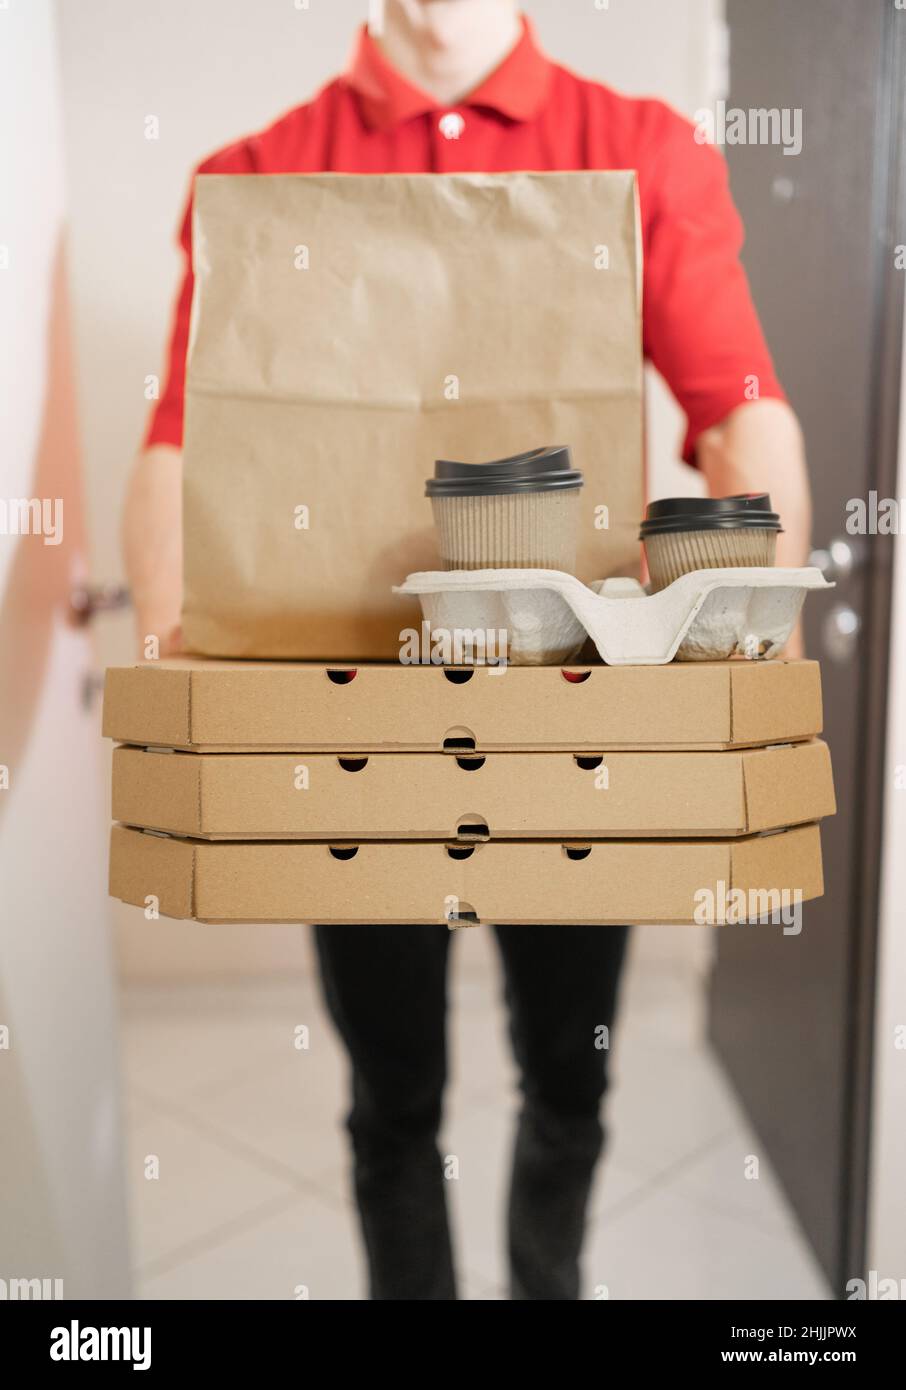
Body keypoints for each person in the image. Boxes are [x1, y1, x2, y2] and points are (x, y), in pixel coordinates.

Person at [124, 0, 811, 1300]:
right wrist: (174, 679)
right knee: (392, 1090)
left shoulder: (639, 151)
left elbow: (739, 413)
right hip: (349, 734)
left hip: (572, 724)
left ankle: (543, 1285)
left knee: (569, 1068)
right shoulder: (256, 177)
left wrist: (759, 624)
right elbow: (179, 442)